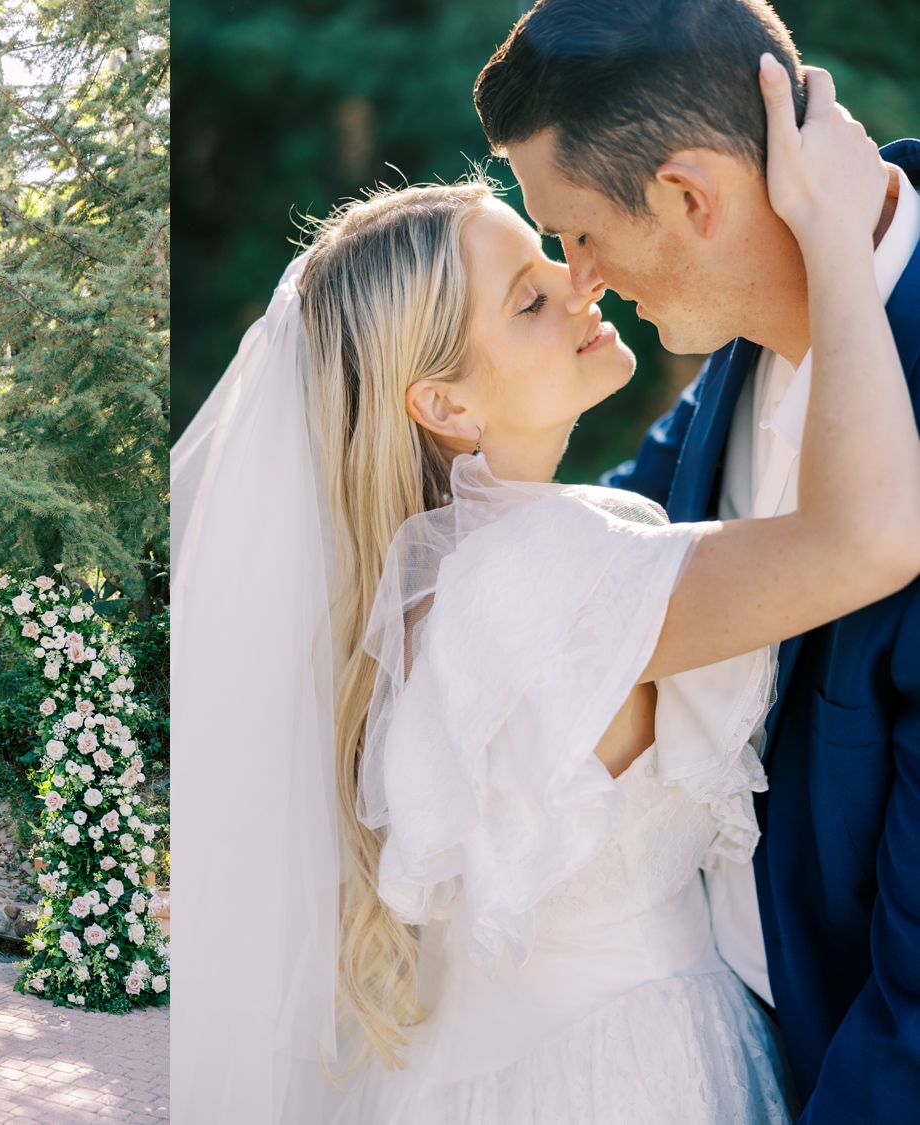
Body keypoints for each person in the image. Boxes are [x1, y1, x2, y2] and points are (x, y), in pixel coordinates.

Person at [170, 41, 920, 1125]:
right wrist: (835, 239)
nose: (581, 281)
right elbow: (866, 540)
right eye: (530, 294)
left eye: (560, 245)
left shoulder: (447, 572)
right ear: (446, 406)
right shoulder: (548, 578)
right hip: (629, 1072)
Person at [474, 1, 920, 1118]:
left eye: (576, 233)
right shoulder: (738, 351)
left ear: (687, 199)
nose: (580, 277)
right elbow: (613, 543)